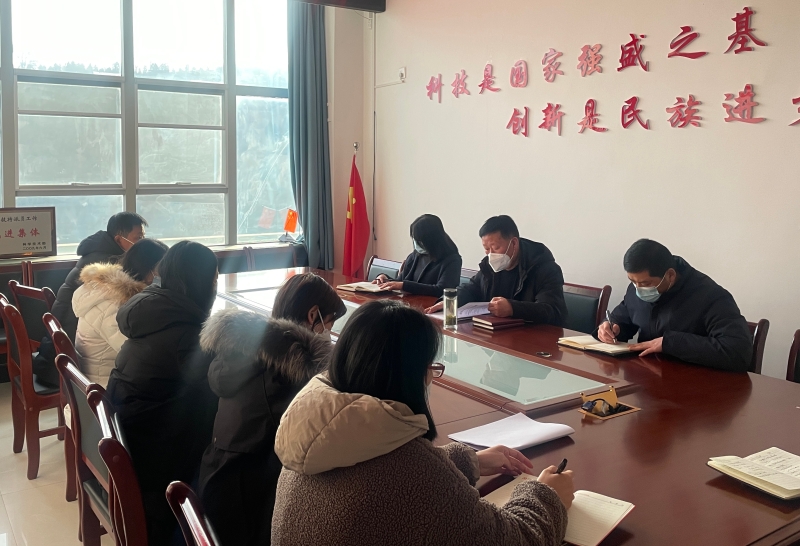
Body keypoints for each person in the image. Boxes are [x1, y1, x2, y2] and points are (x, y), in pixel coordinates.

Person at [272, 300, 574, 546]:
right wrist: (547, 495)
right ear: (410, 374)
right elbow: (518, 539)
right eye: (429, 367)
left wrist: (468, 460)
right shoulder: (414, 477)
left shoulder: (314, 427)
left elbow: (383, 474)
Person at [197, 273, 346, 546]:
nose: (329, 334)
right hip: (246, 508)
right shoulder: (290, 375)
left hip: (216, 482)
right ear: (313, 315)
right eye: (329, 323)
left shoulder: (249, 353)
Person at [106, 241, 219, 544]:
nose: (215, 287)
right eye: (214, 280)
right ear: (201, 283)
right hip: (157, 467)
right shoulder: (187, 335)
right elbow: (222, 390)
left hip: (134, 442)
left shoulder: (152, 310)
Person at [596, 239, 753, 372]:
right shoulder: (637, 288)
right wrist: (610, 328)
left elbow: (737, 352)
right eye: (632, 281)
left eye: (646, 283)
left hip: (697, 385)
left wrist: (670, 343)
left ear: (670, 275)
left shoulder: (711, 296)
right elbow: (622, 317)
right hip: (647, 380)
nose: (638, 288)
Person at [425, 215, 567, 325]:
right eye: (487, 249)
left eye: (496, 247)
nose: (491, 254)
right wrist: (450, 302)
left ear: (514, 243)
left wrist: (513, 308)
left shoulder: (545, 269)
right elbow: (471, 288)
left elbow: (553, 312)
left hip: (533, 339)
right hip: (496, 336)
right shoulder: (489, 266)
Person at [71, 239, 168, 386]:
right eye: (163, 270)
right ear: (148, 270)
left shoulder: (106, 291)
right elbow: (138, 354)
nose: (165, 276)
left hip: (101, 377)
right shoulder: (113, 305)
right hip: (104, 386)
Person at [51, 212, 148, 340]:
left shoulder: (98, 251)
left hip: (65, 328)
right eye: (139, 238)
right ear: (119, 239)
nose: (143, 242)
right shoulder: (110, 264)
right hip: (71, 330)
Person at [372, 214, 462, 297]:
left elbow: (441, 290)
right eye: (414, 239)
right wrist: (385, 278)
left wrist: (404, 285)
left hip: (431, 306)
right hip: (409, 303)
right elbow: (400, 281)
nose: (416, 244)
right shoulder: (415, 255)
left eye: (419, 241)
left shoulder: (452, 260)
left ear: (431, 240)